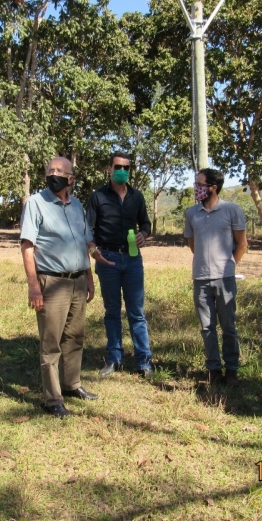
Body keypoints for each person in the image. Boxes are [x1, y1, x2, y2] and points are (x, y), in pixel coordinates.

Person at [20, 157, 102, 418]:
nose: (53, 174)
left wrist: (89, 278)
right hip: (51, 281)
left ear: (71, 178)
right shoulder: (35, 203)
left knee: (75, 337)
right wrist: (34, 285)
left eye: (60, 171)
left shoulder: (77, 205)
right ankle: (52, 398)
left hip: (78, 279)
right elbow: (27, 246)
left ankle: (72, 384)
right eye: (50, 171)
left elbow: (84, 243)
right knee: (51, 342)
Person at [86, 152, 153, 378]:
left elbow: (146, 222)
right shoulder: (97, 196)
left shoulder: (137, 196)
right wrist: (94, 252)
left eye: (126, 167)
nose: (122, 170)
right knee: (112, 311)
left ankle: (144, 361)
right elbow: (89, 230)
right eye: (118, 167)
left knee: (137, 312)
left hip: (133, 259)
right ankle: (114, 357)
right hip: (107, 259)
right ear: (109, 169)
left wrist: (144, 233)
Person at [184, 168, 248, 385]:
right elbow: (194, 245)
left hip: (225, 279)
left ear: (213, 187)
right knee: (206, 327)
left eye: (200, 184)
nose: (196, 188)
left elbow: (242, 244)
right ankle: (213, 369)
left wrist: (228, 265)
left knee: (228, 326)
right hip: (200, 278)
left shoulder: (232, 210)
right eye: (196, 184)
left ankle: (232, 370)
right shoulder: (191, 213)